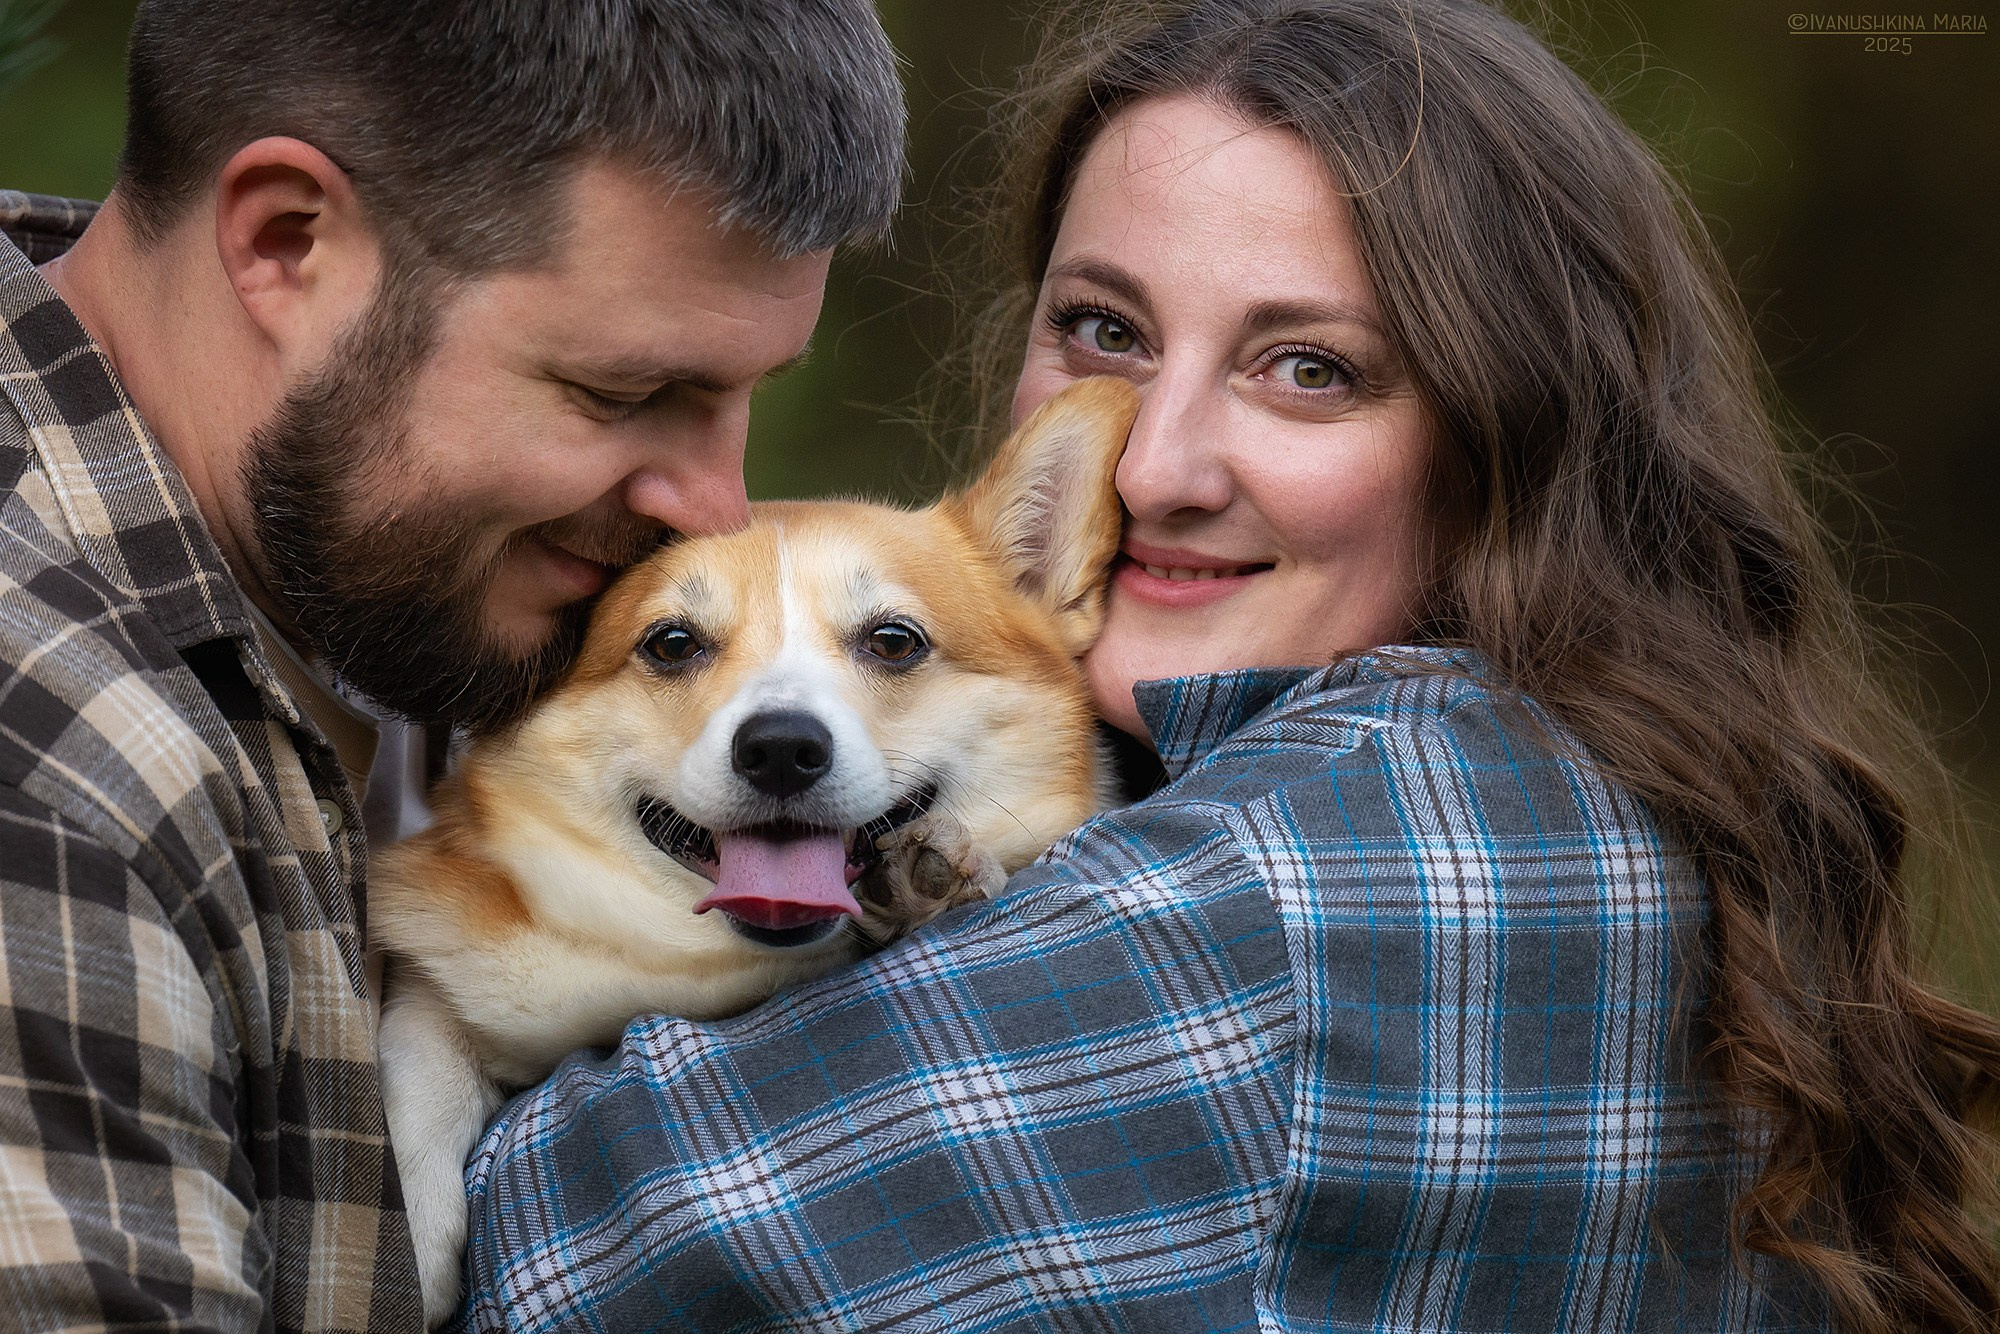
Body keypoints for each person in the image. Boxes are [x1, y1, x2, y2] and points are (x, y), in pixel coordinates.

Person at [451, 1, 2000, 1331]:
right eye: (1104, 333)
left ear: (1509, 439)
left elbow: (560, 1248)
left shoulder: (1314, 873)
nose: (1156, 464)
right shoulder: (1617, 776)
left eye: (1308, 369)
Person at [0, 1, 904, 1328]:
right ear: (287, 243)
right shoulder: (48, 762)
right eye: (621, 393)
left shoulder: (390, 588)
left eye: (742, 390)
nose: (719, 507)